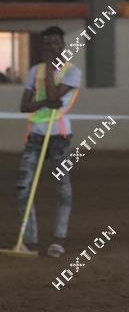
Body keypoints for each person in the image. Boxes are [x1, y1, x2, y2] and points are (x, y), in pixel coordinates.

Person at [14, 26, 81, 258]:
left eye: (56, 43)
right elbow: (24, 106)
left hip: (59, 137)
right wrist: (44, 103)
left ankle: (58, 241)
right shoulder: (35, 71)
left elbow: (54, 95)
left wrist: (51, 71)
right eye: (48, 43)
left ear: (63, 45)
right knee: (24, 187)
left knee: (63, 188)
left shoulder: (72, 72)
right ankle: (29, 241)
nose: (52, 47)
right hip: (35, 135)